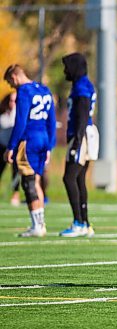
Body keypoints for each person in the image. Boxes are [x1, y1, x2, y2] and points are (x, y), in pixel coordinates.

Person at [3, 64, 56, 237]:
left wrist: (11, 146)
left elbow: (20, 122)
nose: (12, 87)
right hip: (43, 139)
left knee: (28, 182)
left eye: (11, 82)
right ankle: (40, 224)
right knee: (37, 181)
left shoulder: (24, 91)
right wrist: (50, 144)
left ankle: (37, 226)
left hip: (30, 140)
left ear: (15, 77)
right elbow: (52, 121)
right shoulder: (44, 90)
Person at [59, 52, 98, 237]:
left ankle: (79, 222)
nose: (65, 70)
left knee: (69, 178)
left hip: (81, 135)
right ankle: (85, 222)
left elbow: (82, 115)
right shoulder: (83, 84)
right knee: (79, 179)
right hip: (87, 133)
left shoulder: (81, 86)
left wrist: (77, 142)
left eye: (67, 66)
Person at [0, 92, 21, 206]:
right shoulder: (2, 113)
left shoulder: (19, 114)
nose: (12, 103)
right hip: (2, 146)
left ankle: (15, 195)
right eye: (11, 100)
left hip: (14, 147)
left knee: (15, 171)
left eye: (15, 101)